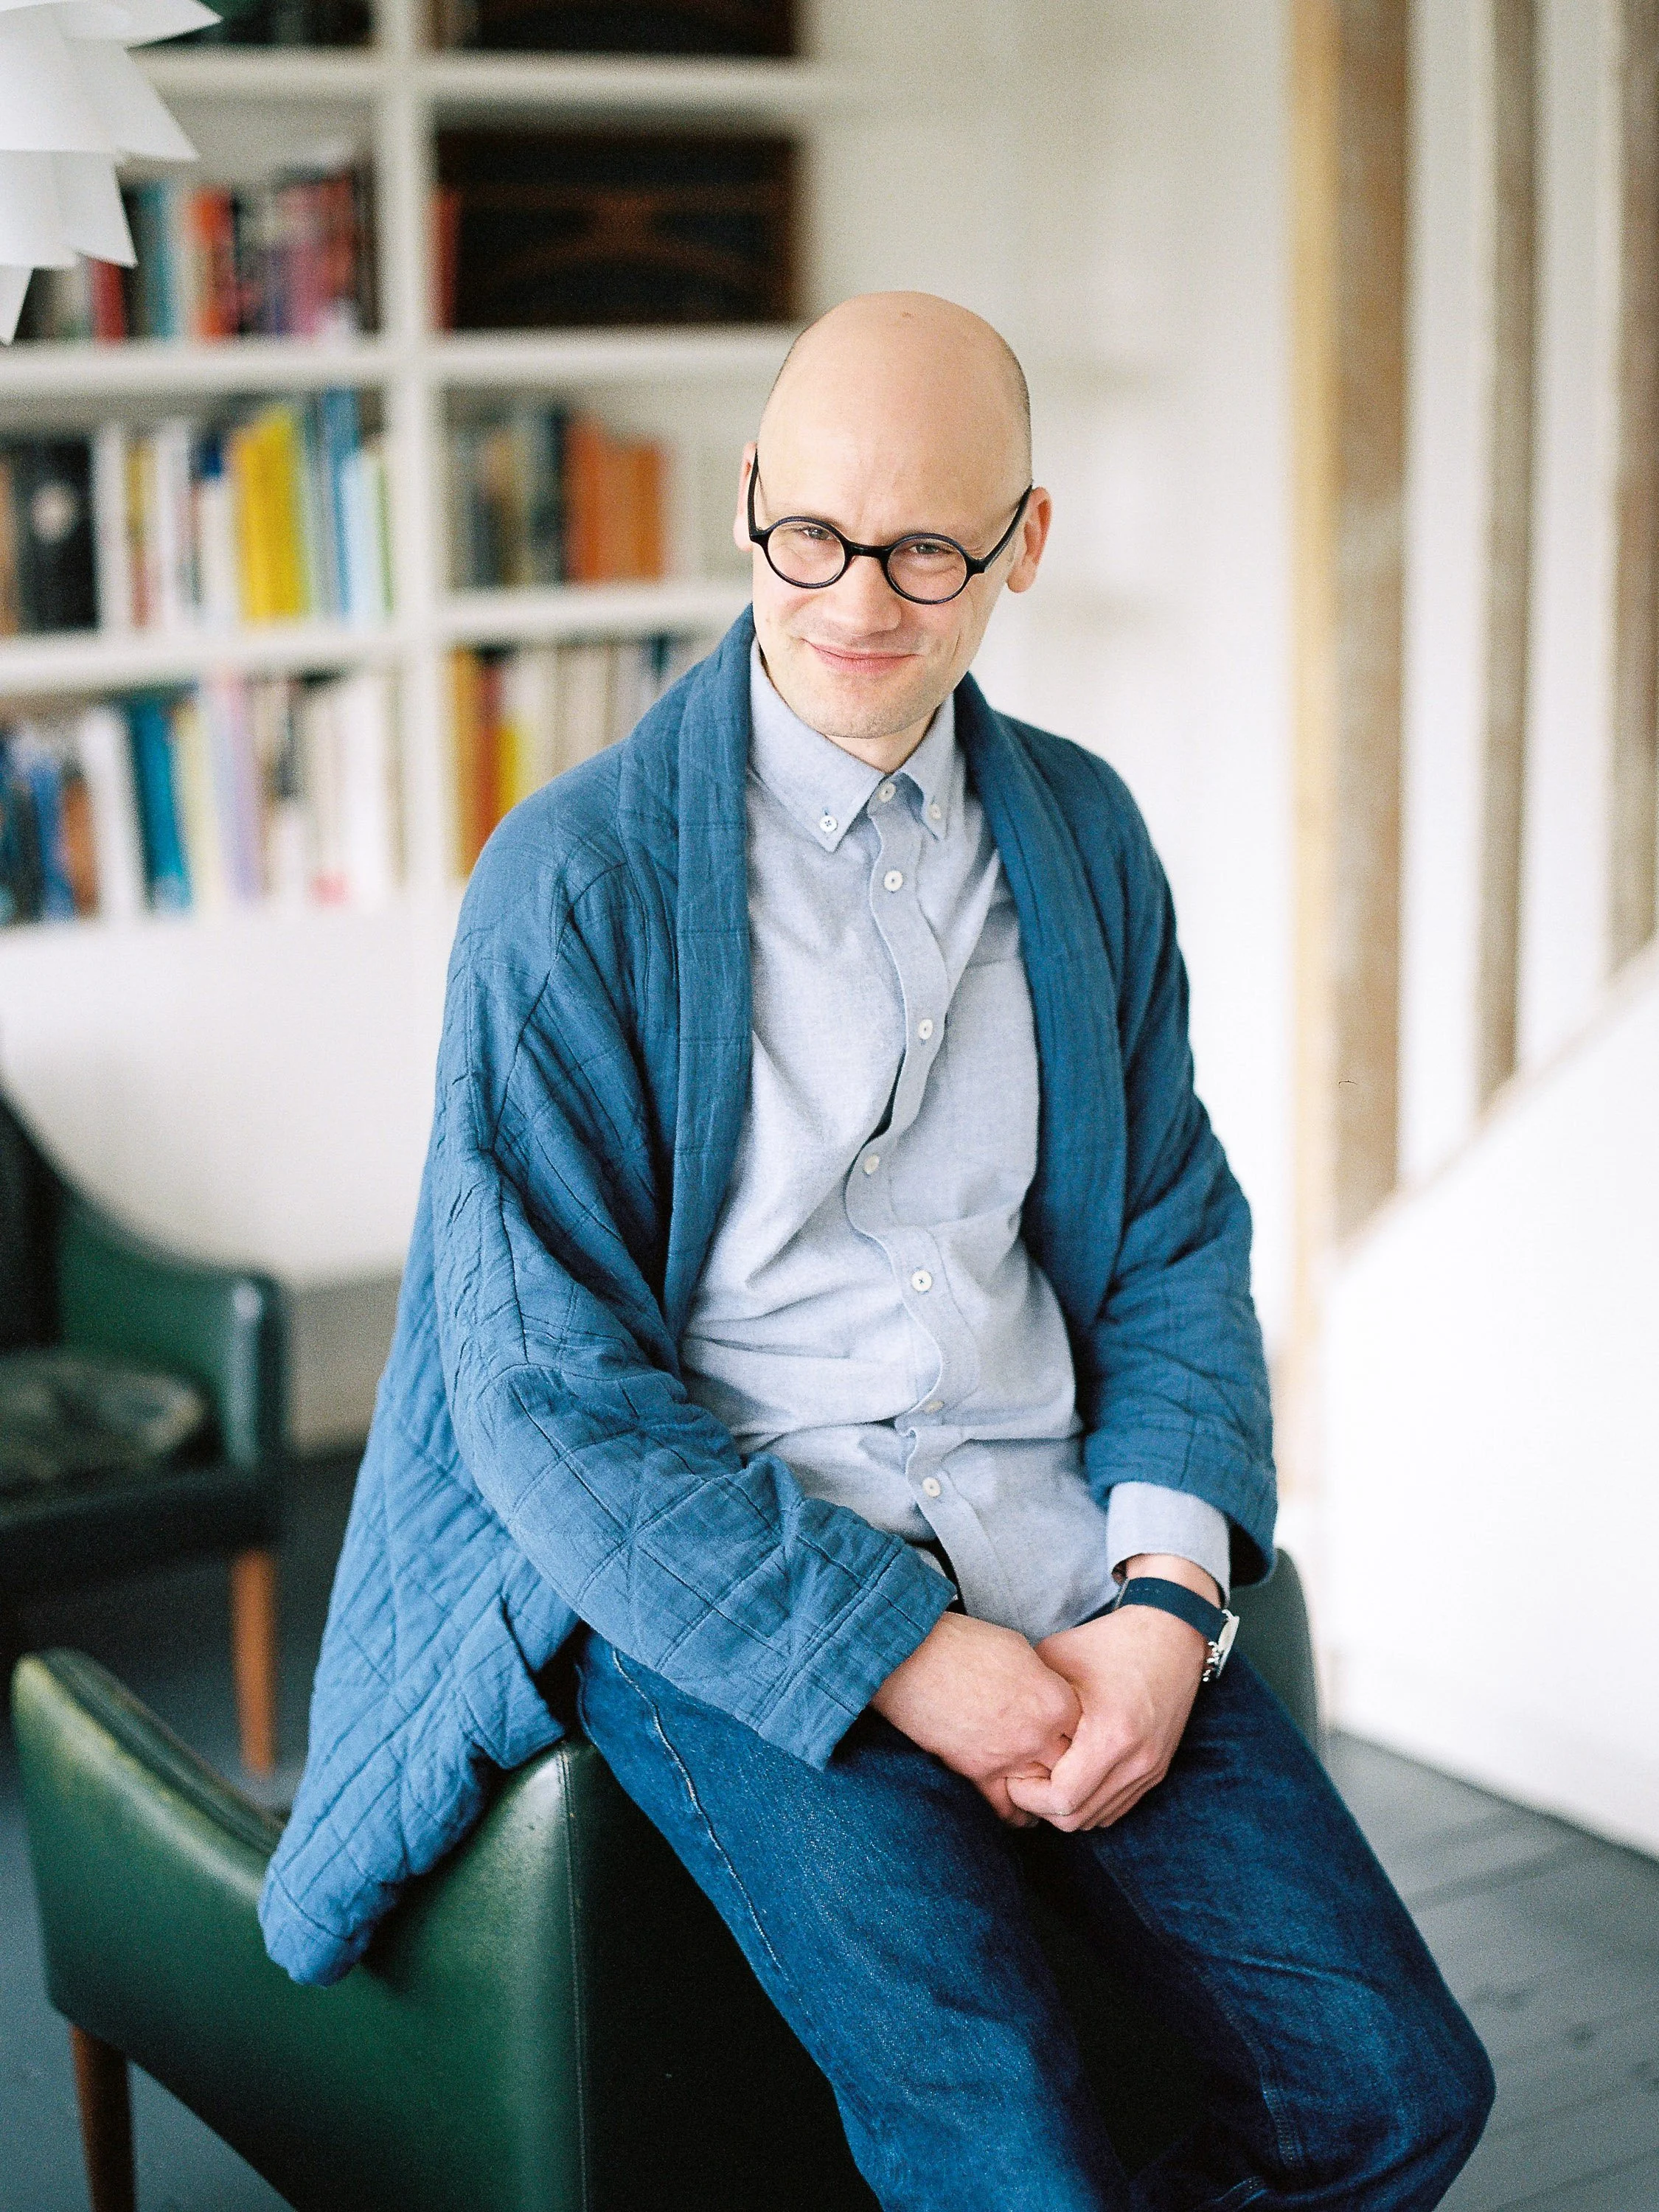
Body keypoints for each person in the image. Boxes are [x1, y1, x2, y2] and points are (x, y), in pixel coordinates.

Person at [262, 293, 1494, 2211]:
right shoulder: (574, 880)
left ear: (1025, 542)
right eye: (810, 534)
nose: (855, 599)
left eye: (927, 546)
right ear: (749, 501)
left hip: (1058, 1550)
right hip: (728, 1585)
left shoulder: (1081, 838)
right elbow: (544, 1402)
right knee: (1014, 2143)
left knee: (1401, 2088)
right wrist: (911, 1657)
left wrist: (1166, 1604)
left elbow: (1172, 1226)